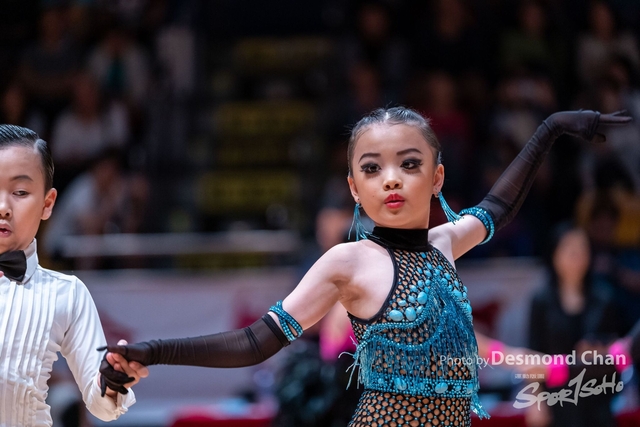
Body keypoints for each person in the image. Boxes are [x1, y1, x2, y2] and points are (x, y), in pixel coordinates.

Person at [100, 107, 631, 426]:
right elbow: (255, 341)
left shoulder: (446, 242)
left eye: (409, 163)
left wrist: (550, 129)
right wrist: (154, 352)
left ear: (437, 177)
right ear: (355, 187)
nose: (391, 179)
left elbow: (498, 206)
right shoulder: (348, 261)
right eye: (373, 169)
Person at [0, 124, 148, 426]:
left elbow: (102, 404)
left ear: (47, 204)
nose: (3, 207)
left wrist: (112, 380)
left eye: (20, 192)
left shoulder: (68, 294)